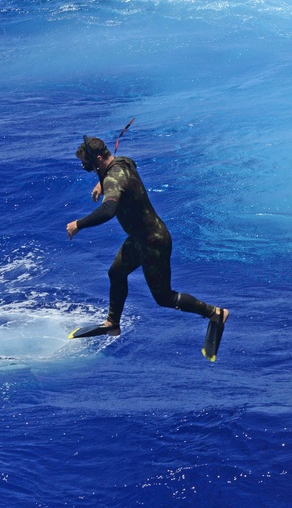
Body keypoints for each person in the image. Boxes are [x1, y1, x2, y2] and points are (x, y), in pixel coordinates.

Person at [65, 136, 228, 355]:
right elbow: (129, 163)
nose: (86, 168)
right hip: (139, 239)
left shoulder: (114, 176)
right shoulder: (121, 162)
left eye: (88, 165)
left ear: (100, 158)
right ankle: (112, 324)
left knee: (164, 298)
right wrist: (101, 181)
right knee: (116, 273)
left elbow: (108, 210)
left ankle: (216, 314)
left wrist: (79, 224)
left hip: (154, 242)